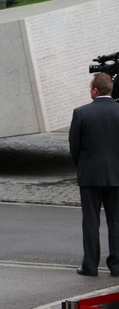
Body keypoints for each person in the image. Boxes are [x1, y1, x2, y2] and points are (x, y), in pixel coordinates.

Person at [68, 72, 119, 277]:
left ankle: (90, 266)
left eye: (90, 88)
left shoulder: (81, 113)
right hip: (116, 174)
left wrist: (82, 165)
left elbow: (74, 147)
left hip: (90, 175)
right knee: (115, 222)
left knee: (91, 222)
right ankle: (116, 266)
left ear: (95, 90)